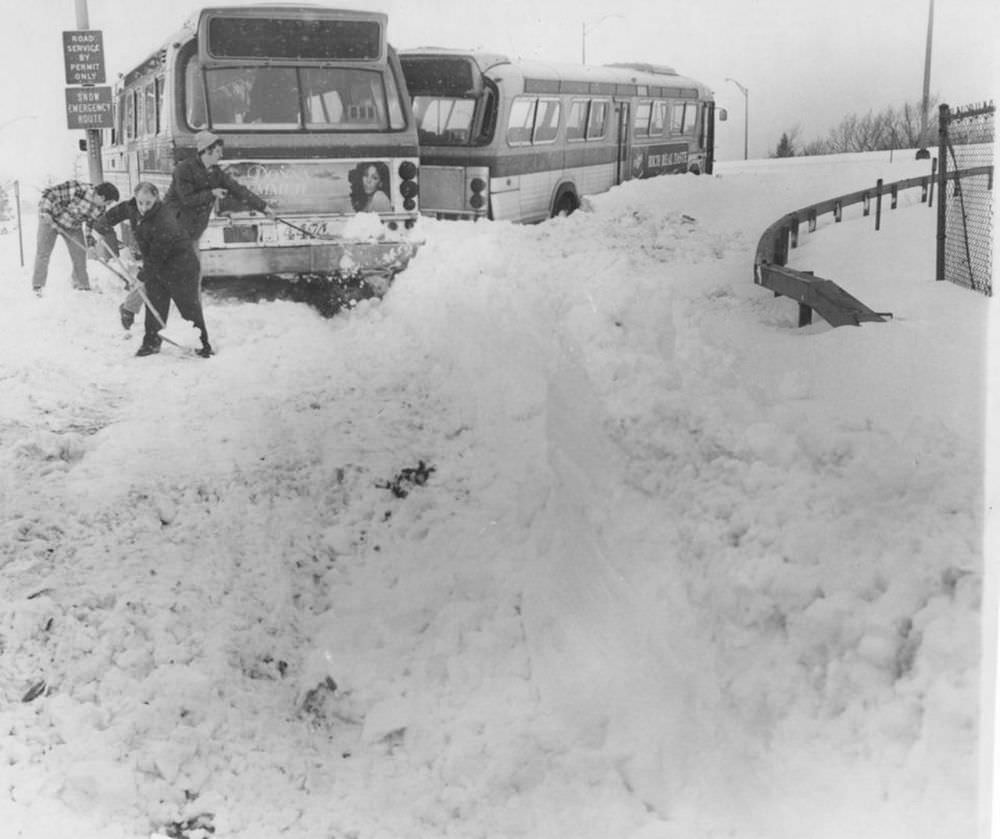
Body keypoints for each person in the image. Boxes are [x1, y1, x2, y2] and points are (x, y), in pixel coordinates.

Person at [130, 182, 213, 359]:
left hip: (181, 268)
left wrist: (142, 276)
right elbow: (118, 211)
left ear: (156, 199)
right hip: (159, 268)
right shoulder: (136, 209)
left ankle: (203, 346)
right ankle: (151, 344)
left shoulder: (165, 219)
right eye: (140, 203)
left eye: (148, 203)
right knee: (154, 307)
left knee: (189, 308)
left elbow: (158, 254)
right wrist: (99, 228)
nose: (143, 207)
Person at [163, 130, 276, 246]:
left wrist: (264, 208)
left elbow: (238, 190)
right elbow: (187, 200)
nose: (221, 155)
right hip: (174, 229)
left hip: (193, 231)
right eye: (218, 151)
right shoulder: (184, 169)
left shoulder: (216, 173)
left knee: (193, 263)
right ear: (207, 150)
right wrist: (212, 193)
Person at [31, 180, 120, 295]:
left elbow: (89, 226)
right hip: (51, 220)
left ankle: (80, 285)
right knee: (43, 252)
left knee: (80, 253)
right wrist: (45, 212)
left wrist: (91, 245)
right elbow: (49, 195)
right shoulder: (78, 189)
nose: (107, 206)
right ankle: (38, 286)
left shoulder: (100, 209)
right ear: (102, 197)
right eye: (108, 202)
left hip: (72, 226)